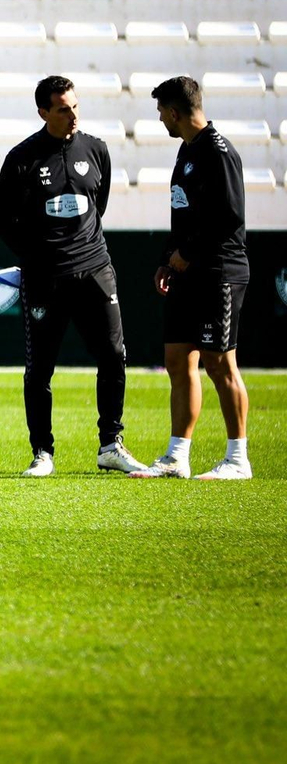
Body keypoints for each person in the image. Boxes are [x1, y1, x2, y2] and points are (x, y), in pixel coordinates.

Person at [0, 76, 145, 478]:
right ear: (43, 112)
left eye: (75, 106)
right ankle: (43, 452)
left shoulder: (96, 149)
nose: (72, 114)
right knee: (40, 369)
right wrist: (40, 258)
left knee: (114, 356)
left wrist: (83, 250)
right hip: (46, 278)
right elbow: (3, 223)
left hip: (96, 270)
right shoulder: (21, 159)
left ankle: (111, 444)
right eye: (63, 108)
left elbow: (99, 204)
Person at [132, 76, 253, 480]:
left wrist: (188, 254)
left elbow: (229, 216)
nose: (160, 120)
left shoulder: (218, 152)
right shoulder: (187, 150)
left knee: (220, 363)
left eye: (160, 112)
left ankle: (238, 459)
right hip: (187, 271)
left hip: (219, 271)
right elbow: (184, 213)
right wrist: (169, 259)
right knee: (177, 359)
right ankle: (176, 457)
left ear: (174, 111)